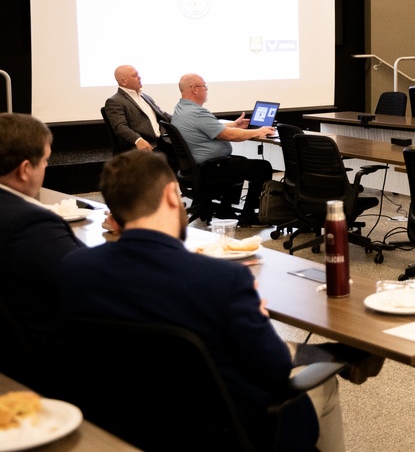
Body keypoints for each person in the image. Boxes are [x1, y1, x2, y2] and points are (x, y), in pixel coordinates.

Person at [58, 150, 356, 451]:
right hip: (224, 435)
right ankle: (343, 358)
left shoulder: (74, 270)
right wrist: (260, 318)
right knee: (323, 384)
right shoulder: (223, 280)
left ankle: (338, 356)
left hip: (118, 427)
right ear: (172, 196)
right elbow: (276, 368)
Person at [0, 114, 86, 382]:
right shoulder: (28, 223)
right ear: (25, 169)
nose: (45, 168)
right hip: (52, 360)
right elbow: (87, 281)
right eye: (46, 161)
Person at [171, 73, 275, 227]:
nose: (206, 90)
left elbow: (211, 127)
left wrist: (234, 124)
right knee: (262, 167)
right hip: (209, 167)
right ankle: (248, 216)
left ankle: (225, 208)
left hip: (196, 167)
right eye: (204, 86)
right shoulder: (197, 112)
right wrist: (257, 132)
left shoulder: (181, 108)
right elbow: (227, 135)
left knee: (241, 162)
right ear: (194, 89)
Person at [104, 65, 172, 154]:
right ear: (123, 81)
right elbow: (120, 127)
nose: (139, 77)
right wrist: (138, 140)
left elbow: (162, 114)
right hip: (145, 145)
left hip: (163, 140)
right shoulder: (114, 101)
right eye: (134, 75)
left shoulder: (145, 97)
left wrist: (181, 118)